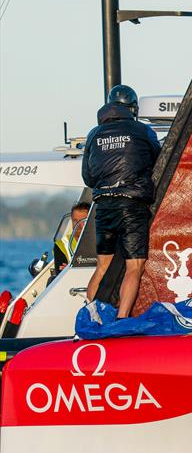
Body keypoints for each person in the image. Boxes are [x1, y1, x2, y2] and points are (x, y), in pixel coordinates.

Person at [82, 85, 161, 319]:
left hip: (103, 206)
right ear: (132, 109)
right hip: (131, 206)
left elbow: (88, 177)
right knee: (134, 267)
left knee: (102, 267)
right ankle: (121, 319)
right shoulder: (142, 130)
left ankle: (89, 318)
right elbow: (159, 161)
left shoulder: (94, 134)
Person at [51, 201, 91, 277]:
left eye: (82, 221)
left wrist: (70, 269)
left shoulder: (101, 242)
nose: (78, 225)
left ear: (90, 221)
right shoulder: (61, 245)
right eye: (75, 220)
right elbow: (60, 273)